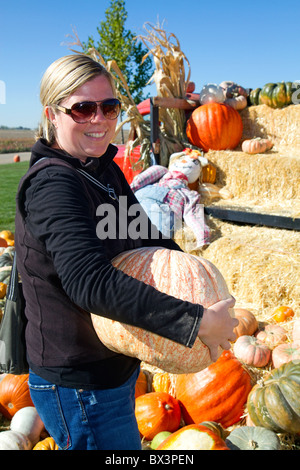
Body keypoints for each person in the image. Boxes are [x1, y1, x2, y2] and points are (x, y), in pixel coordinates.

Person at [14, 54, 237, 450]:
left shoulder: (103, 168)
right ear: (52, 114)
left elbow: (146, 237)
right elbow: (89, 281)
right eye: (83, 108)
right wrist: (195, 321)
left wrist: (200, 282)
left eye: (109, 106)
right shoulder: (53, 186)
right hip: (80, 380)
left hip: (113, 365)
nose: (99, 119)